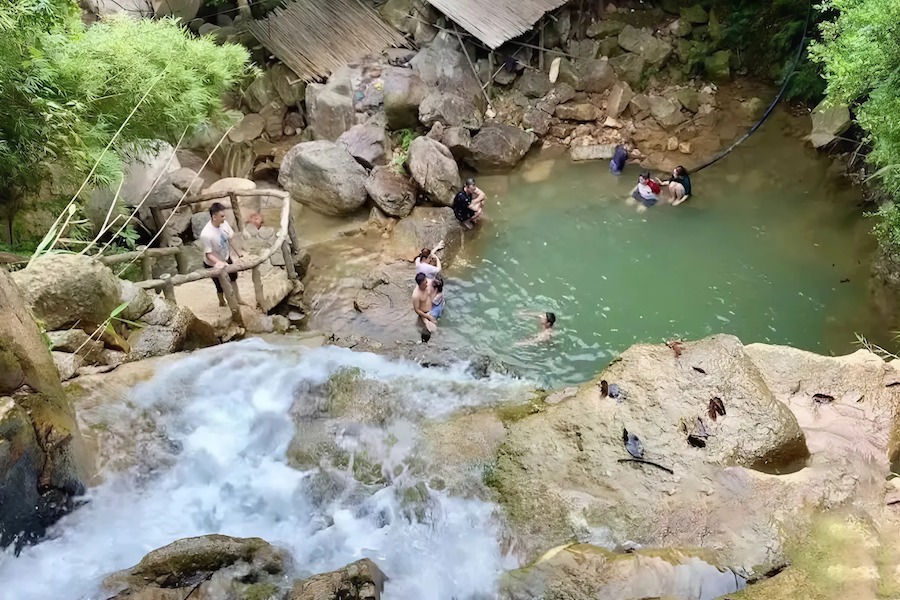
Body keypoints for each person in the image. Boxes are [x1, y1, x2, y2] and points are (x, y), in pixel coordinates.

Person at [200, 202, 244, 307]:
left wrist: (240, 253)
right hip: (213, 262)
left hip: (225, 256)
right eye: (222, 216)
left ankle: (238, 299)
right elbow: (208, 253)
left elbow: (231, 239)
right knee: (220, 285)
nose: (224, 218)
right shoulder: (206, 234)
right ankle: (222, 301)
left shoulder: (224, 224)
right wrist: (218, 262)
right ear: (214, 217)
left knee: (233, 278)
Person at [412, 272, 437, 342]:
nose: (426, 284)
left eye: (426, 282)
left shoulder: (429, 282)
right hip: (424, 313)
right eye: (424, 284)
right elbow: (416, 310)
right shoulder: (416, 295)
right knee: (431, 331)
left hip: (433, 308)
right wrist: (427, 317)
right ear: (419, 285)